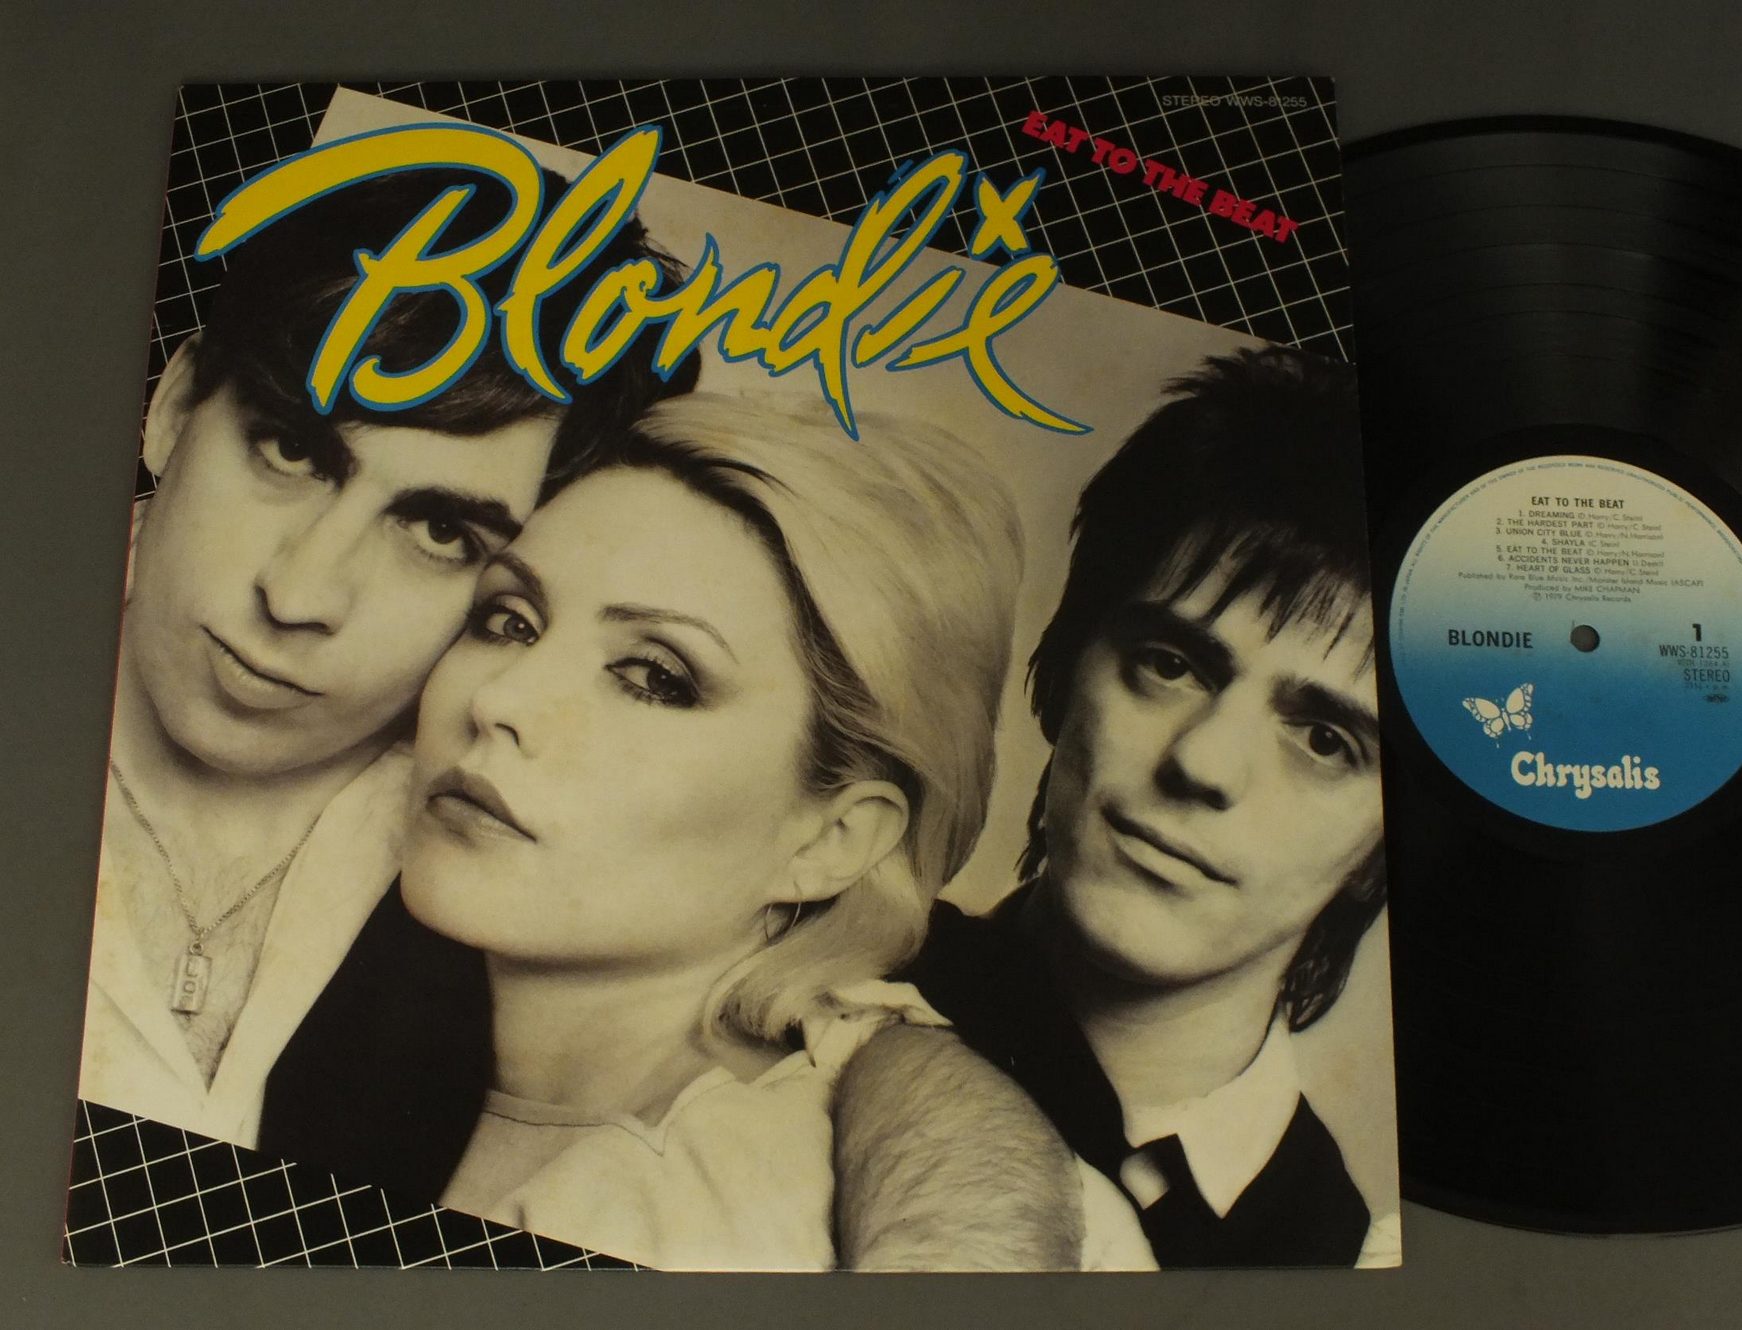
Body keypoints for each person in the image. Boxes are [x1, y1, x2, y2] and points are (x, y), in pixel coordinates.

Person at [78, 166, 694, 1149]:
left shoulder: (502, 825)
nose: (298, 594)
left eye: (441, 532)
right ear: (174, 405)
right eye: (289, 450)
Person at [392, 391, 1027, 1269]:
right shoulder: (379, 1030)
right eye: (510, 622)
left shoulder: (726, 1217)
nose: (500, 700)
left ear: (832, 840)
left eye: (654, 678)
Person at [876, 345, 1398, 1267]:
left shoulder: (1355, 1266)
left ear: (1378, 852)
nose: (1203, 762)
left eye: (1325, 740)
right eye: (1171, 664)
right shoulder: (797, 987)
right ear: (1062, 672)